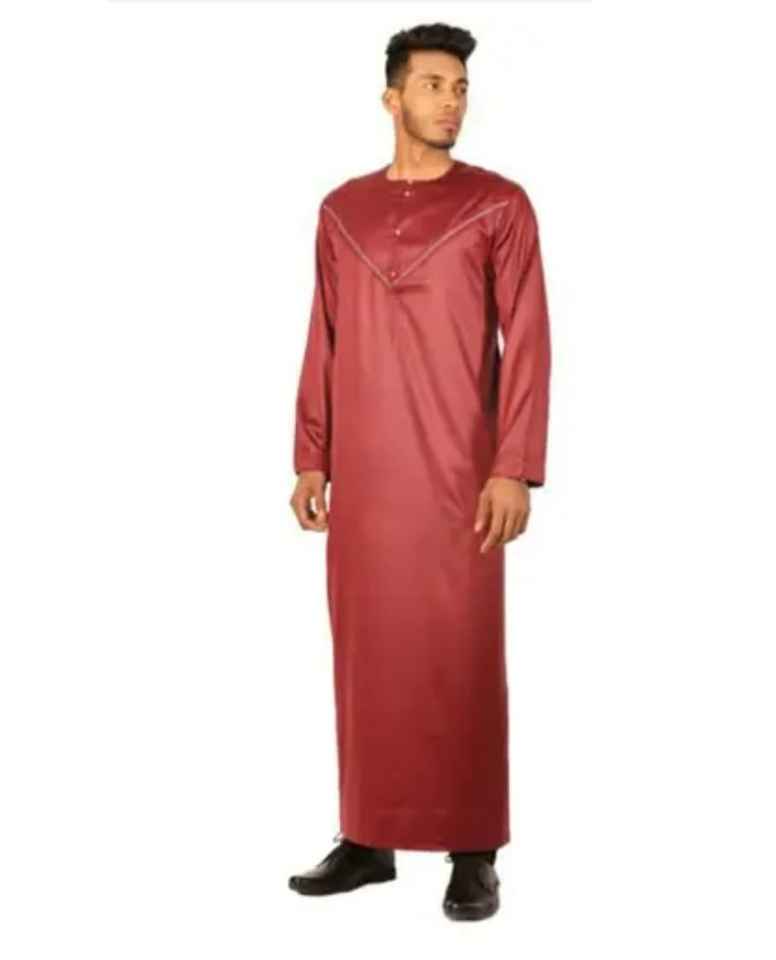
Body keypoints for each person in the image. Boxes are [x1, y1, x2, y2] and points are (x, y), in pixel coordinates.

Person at [288, 22, 551, 922]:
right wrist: (311, 453)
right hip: (366, 481)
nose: (452, 101)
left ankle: (473, 851)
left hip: (459, 477)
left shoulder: (498, 205)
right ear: (391, 98)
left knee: (461, 657)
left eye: (460, 87)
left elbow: (528, 342)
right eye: (434, 85)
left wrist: (512, 466)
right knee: (367, 656)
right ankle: (367, 838)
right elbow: (323, 336)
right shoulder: (342, 211)